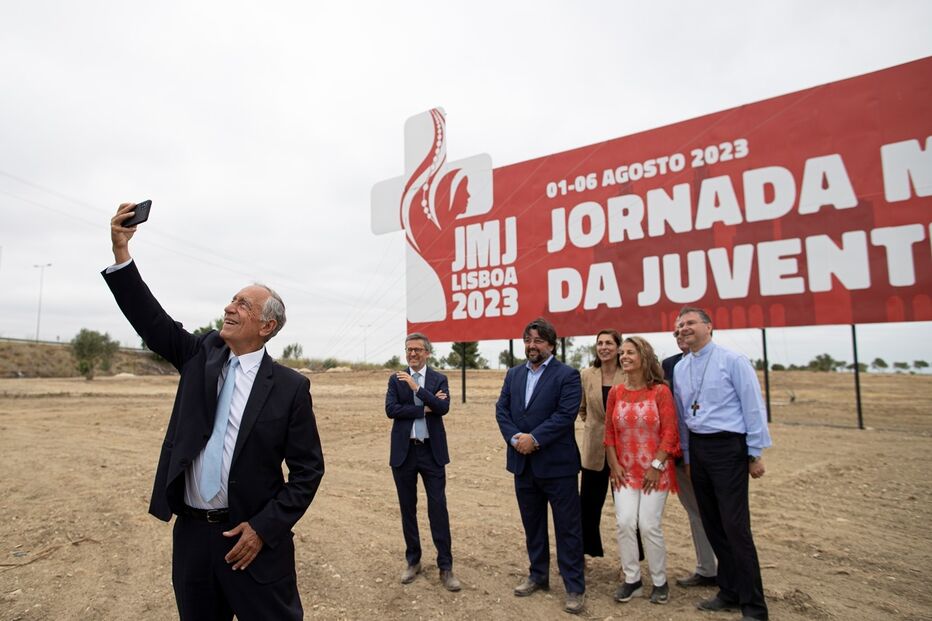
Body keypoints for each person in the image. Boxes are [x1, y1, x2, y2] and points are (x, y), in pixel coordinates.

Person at [102, 202, 325, 621]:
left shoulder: (291, 388)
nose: (230, 307)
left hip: (251, 539)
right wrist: (122, 254)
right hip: (193, 539)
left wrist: (264, 528)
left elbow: (308, 471)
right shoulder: (199, 355)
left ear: (266, 327)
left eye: (243, 304)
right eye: (231, 300)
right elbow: (152, 322)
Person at [673, 306, 772, 621]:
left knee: (735, 527)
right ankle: (728, 592)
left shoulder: (733, 360)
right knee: (712, 524)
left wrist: (754, 453)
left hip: (729, 447)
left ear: (708, 326)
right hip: (699, 449)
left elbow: (753, 406)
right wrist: (688, 456)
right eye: (679, 326)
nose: (684, 329)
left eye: (690, 323)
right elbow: (683, 417)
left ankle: (754, 605)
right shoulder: (681, 367)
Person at [495, 317, 586, 615]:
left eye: (538, 341)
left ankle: (574, 587)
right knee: (532, 525)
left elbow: (564, 415)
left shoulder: (568, 375)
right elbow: (502, 410)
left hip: (557, 467)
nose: (532, 346)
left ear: (551, 344)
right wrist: (514, 438)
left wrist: (534, 438)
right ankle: (538, 575)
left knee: (568, 529)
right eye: (528, 340)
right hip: (523, 464)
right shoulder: (513, 374)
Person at [604, 336, 680, 606]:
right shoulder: (615, 392)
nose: (624, 356)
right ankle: (632, 579)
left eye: (630, 352)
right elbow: (609, 432)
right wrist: (613, 464)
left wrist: (657, 465)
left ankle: (660, 582)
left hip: (654, 472)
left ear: (644, 356)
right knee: (625, 523)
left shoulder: (660, 391)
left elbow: (670, 432)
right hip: (624, 470)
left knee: (648, 525)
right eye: (622, 353)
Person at [385, 333, 460, 591]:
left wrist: (418, 390)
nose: (412, 354)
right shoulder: (396, 380)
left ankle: (445, 566)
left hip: (432, 453)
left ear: (427, 353)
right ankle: (413, 560)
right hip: (404, 453)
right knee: (408, 509)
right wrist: (424, 408)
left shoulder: (440, 379)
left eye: (417, 350)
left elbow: (443, 408)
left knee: (438, 508)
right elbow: (391, 410)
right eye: (409, 350)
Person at [662, 329, 718, 588]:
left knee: (722, 511)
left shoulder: (722, 361)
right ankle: (708, 568)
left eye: (687, 329)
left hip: (716, 450)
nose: (681, 336)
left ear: (707, 330)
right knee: (695, 510)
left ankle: (730, 569)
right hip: (680, 453)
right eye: (677, 332)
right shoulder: (670, 365)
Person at [577, 330, 626, 559]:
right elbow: (583, 408)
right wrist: (597, 428)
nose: (604, 347)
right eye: (600, 343)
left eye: (609, 343)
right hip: (594, 450)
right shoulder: (587, 374)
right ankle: (586, 554)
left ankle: (630, 561)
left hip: (625, 452)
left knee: (627, 511)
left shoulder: (629, 374)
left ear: (618, 347)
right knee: (587, 507)